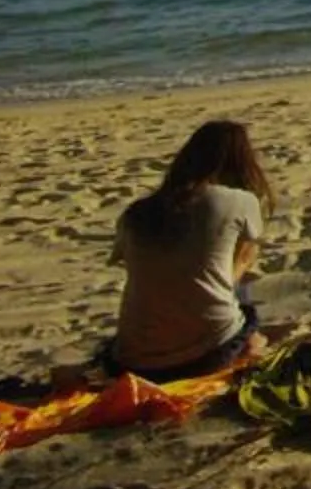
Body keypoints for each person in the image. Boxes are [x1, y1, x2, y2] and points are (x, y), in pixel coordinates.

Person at [107, 120, 274, 381]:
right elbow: (240, 265)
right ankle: (249, 343)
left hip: (133, 362)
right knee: (242, 260)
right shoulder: (241, 201)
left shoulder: (137, 212)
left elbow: (133, 265)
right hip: (208, 354)